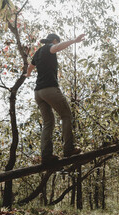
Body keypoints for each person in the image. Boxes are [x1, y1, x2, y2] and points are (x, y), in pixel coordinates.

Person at [24, 33, 84, 164]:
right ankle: (68, 149)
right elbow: (55, 48)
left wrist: (28, 75)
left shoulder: (38, 52)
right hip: (49, 89)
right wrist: (74, 40)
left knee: (48, 122)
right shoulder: (49, 47)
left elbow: (30, 66)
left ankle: (46, 156)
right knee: (66, 115)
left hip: (38, 93)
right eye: (57, 42)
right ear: (54, 40)